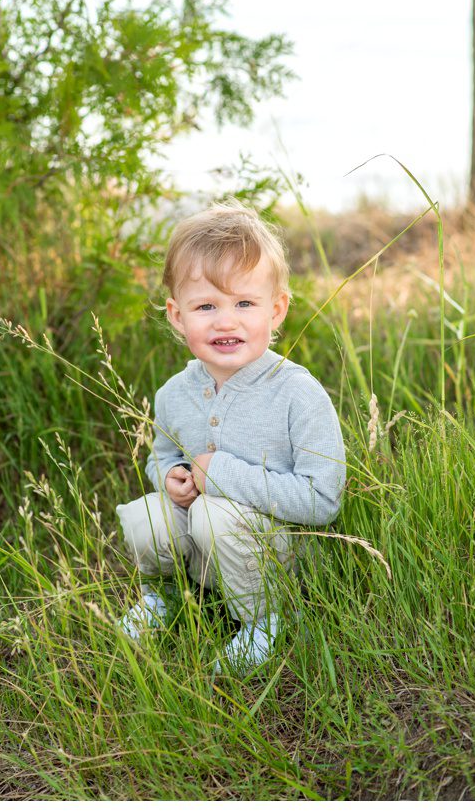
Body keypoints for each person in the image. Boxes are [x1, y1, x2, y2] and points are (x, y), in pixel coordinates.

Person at [113, 202, 347, 672]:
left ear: (276, 309)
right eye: (206, 306)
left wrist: (219, 475)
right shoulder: (173, 394)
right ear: (178, 317)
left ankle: (268, 617)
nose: (225, 321)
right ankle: (166, 598)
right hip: (206, 541)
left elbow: (324, 499)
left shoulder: (297, 393)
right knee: (146, 517)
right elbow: (160, 458)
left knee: (216, 516)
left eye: (244, 303)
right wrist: (173, 476)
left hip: (278, 554)